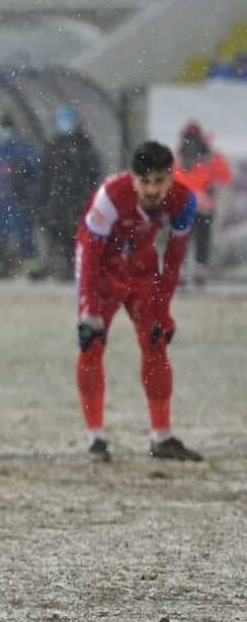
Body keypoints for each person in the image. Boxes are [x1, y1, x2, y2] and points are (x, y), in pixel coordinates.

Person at [75, 141, 200, 463]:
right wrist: (89, 309)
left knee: (156, 343)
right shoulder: (110, 197)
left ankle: (161, 436)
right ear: (133, 179)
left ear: (171, 178)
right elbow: (89, 253)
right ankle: (95, 438)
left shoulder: (184, 200)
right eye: (145, 181)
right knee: (92, 345)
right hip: (104, 268)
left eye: (160, 181)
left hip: (143, 268)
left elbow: (173, 260)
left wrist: (164, 310)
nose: (153, 189)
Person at [37, 105, 102, 280]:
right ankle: (63, 266)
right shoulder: (54, 146)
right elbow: (46, 176)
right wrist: (43, 199)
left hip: (76, 200)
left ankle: (74, 266)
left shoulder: (84, 146)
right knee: (58, 235)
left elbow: (93, 175)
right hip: (59, 201)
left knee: (75, 236)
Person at [0, 115, 40, 275]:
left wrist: (24, 178)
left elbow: (34, 170)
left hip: (17, 200)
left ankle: (30, 266)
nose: (6, 132)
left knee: (23, 232)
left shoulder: (22, 150)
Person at [173, 122, 230, 286]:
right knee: (202, 239)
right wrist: (212, 187)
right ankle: (198, 271)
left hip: (183, 205)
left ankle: (182, 272)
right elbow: (224, 176)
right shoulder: (210, 156)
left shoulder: (177, 154)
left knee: (182, 239)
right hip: (203, 205)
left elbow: (168, 177)